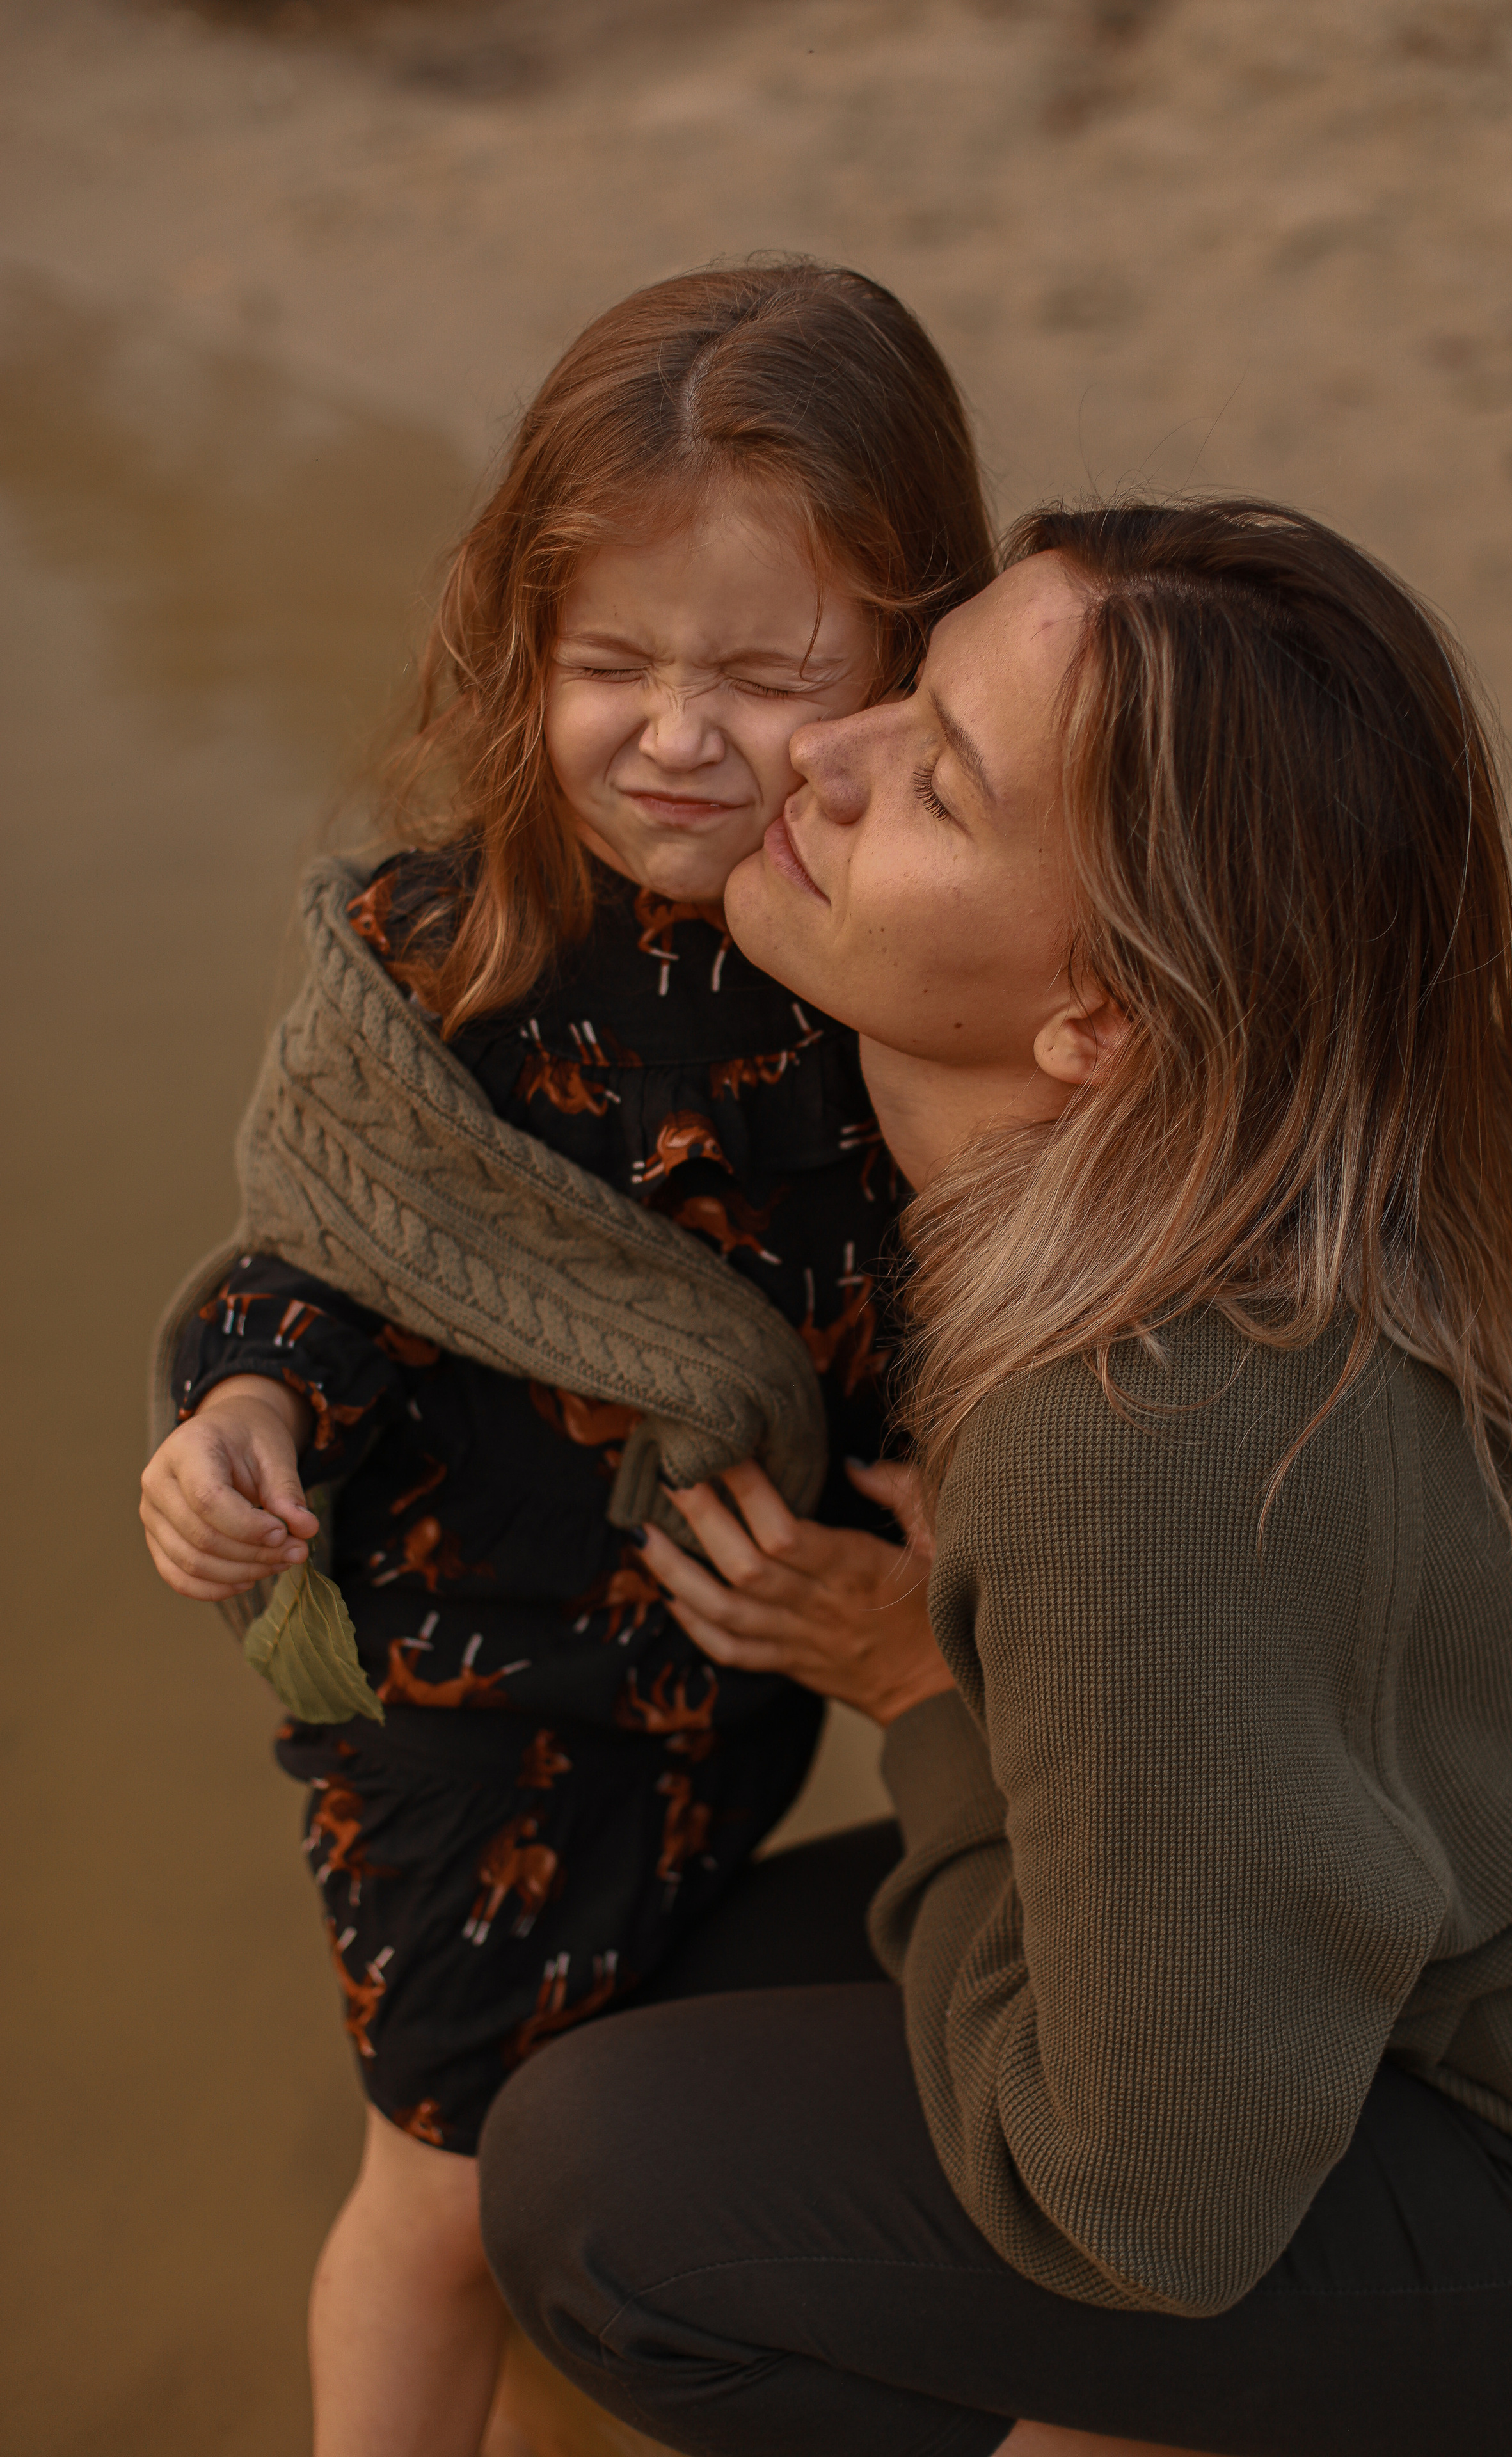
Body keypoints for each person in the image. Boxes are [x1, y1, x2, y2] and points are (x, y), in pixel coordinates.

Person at [475, 500, 1512, 2457]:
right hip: (1415, 1962)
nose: (814, 754)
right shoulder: (1249, 1186)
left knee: (596, 2185)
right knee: (634, 2002)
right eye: (909, 688)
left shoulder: (1136, 1423)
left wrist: (928, 1706)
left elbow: (1152, 2213)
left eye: (931, 779)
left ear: (1098, 1020)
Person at [138, 260, 991, 2457]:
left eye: (767, 673)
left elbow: (970, 1288)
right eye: (608, 661)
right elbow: (323, 1255)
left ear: (913, 659)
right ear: (516, 637)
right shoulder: (453, 944)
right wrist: (237, 1418)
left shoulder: (905, 961)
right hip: (467, 1697)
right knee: (435, 2192)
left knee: (558, 2161)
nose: (678, 733)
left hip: (729, 1692)